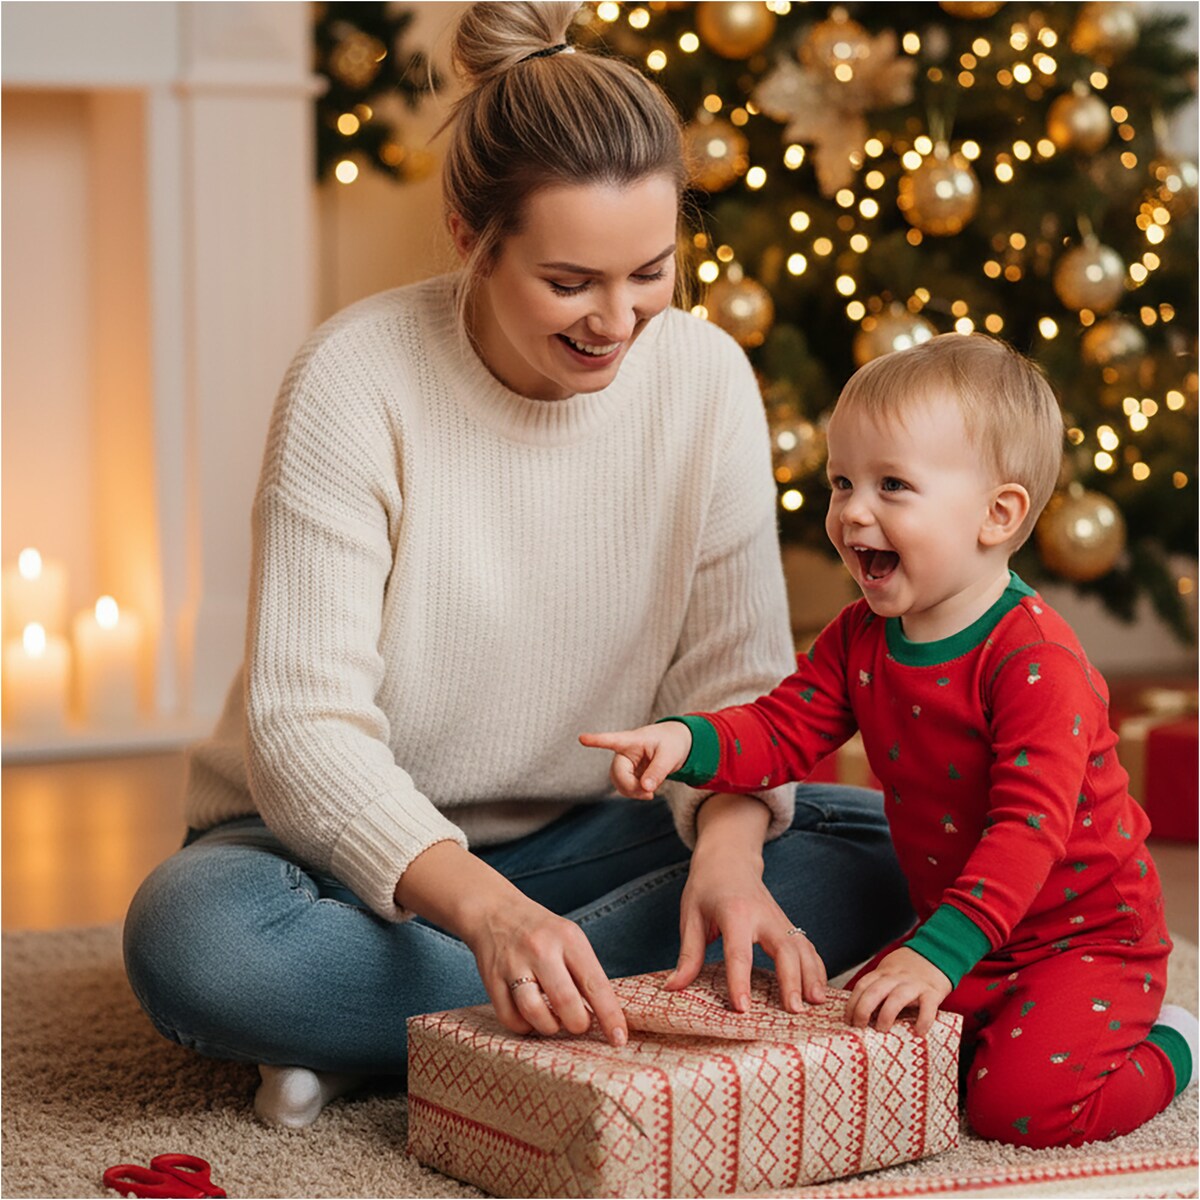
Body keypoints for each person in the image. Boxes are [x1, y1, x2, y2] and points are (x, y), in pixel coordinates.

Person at [121, 0, 912, 1130]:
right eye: (569, 282)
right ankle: (582, 999)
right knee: (197, 943)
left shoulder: (705, 379)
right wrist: (489, 917)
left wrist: (730, 862)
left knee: (895, 850)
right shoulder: (356, 381)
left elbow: (735, 688)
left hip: (600, 836)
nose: (618, 320)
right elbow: (305, 734)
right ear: (468, 236)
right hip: (344, 863)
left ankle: (408, 1030)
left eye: (651, 270)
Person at [582, 333, 1198, 1149]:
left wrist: (934, 957)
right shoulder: (859, 638)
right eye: (842, 482)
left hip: (1084, 941)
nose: (852, 511)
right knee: (861, 1058)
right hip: (965, 926)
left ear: (998, 514)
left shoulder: (1035, 661)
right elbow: (778, 729)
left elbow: (1027, 833)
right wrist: (682, 740)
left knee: (1015, 1112)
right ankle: (985, 1011)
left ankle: (1173, 1042)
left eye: (892, 485)